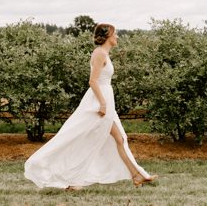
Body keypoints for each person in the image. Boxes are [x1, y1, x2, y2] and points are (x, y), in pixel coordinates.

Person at [24, 23, 157, 189]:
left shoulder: (104, 54)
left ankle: (137, 175)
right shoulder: (99, 53)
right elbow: (92, 81)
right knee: (85, 139)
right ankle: (67, 177)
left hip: (106, 99)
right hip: (98, 102)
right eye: (115, 34)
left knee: (119, 138)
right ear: (107, 36)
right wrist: (102, 103)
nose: (117, 37)